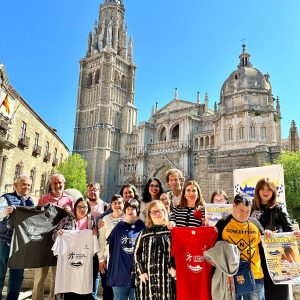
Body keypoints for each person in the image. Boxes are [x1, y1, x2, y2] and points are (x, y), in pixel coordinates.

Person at [251, 178, 300, 300]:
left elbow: (288, 227)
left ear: (273, 191)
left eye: (269, 189)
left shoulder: (279, 207)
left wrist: (295, 234)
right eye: (262, 189)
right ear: (258, 191)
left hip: (276, 258)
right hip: (256, 257)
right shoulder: (251, 207)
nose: (265, 192)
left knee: (278, 294)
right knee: (258, 294)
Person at [216, 194, 267, 300]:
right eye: (241, 210)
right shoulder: (222, 223)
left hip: (255, 276)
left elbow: (268, 243)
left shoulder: (255, 223)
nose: (244, 215)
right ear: (233, 206)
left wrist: (270, 234)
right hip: (230, 277)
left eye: (248, 211)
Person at [32, 173, 74, 300]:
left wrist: (70, 212)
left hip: (60, 244)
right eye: (55, 183)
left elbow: (73, 221)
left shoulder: (69, 200)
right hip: (44, 244)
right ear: (51, 184)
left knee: (57, 278)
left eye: (60, 182)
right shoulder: (43, 199)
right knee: (39, 277)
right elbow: (35, 220)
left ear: (64, 183)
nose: (58, 185)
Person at [53, 198, 98, 300]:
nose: (82, 209)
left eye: (85, 207)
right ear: (75, 208)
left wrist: (96, 234)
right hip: (69, 262)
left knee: (85, 289)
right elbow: (54, 236)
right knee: (70, 289)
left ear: (88, 208)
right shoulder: (66, 220)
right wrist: (59, 234)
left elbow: (96, 240)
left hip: (86, 261)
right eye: (79, 207)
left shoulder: (91, 220)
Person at [0, 175, 34, 300]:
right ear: (16, 185)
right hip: (4, 241)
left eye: (29, 185)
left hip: (20, 244)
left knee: (17, 276)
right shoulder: (5, 198)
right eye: (24, 184)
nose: (27, 187)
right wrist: (6, 212)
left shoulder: (31, 202)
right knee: (0, 273)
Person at [134, 200, 175, 300]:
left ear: (164, 212)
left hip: (166, 277)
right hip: (147, 278)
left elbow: (178, 252)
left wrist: (175, 268)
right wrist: (141, 272)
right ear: (149, 215)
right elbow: (136, 253)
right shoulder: (144, 232)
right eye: (153, 211)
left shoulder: (171, 231)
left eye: (160, 211)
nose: (157, 214)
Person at [107, 199, 144, 300]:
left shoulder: (143, 227)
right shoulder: (119, 227)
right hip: (120, 274)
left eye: (132, 208)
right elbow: (110, 246)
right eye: (127, 208)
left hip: (138, 274)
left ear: (137, 210)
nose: (130, 211)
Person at [98, 195, 125, 300]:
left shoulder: (128, 218)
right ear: (111, 205)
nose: (117, 205)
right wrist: (101, 259)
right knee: (108, 289)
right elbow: (101, 240)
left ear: (123, 204)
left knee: (121, 290)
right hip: (108, 259)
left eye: (119, 203)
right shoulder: (105, 219)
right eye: (115, 203)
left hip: (124, 261)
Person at [86, 182, 109, 300]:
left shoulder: (105, 206)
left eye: (95, 189)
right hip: (83, 245)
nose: (93, 192)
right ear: (87, 191)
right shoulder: (82, 204)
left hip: (99, 245)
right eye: (90, 189)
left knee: (95, 275)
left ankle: (93, 297)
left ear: (100, 191)